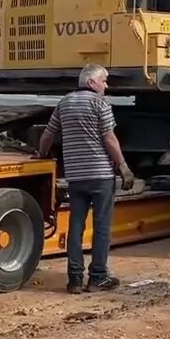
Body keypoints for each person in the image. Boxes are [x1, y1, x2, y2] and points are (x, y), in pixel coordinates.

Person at [36, 64, 136, 294]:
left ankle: (75, 280)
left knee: (76, 227)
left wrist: (41, 155)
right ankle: (98, 277)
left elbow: (49, 134)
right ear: (91, 82)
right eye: (104, 80)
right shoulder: (100, 103)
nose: (106, 85)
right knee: (101, 227)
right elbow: (109, 138)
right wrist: (123, 166)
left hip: (76, 177)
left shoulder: (64, 102)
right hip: (101, 176)